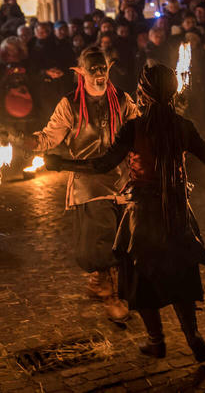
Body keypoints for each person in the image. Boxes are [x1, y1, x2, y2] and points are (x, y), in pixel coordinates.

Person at [44, 64, 205, 362]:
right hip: (178, 212)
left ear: (144, 93)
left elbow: (101, 164)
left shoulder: (134, 128)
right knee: (181, 273)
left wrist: (61, 164)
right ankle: (193, 338)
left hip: (144, 214)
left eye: (140, 88)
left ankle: (157, 341)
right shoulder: (183, 126)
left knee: (142, 277)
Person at [26, 47, 139, 322]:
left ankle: (102, 283)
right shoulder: (70, 104)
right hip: (89, 183)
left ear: (109, 68)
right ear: (81, 72)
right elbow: (50, 136)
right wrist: (31, 141)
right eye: (93, 69)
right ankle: (110, 297)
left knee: (123, 239)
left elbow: (140, 126)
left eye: (103, 69)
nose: (99, 74)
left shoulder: (122, 99)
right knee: (101, 240)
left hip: (121, 180)